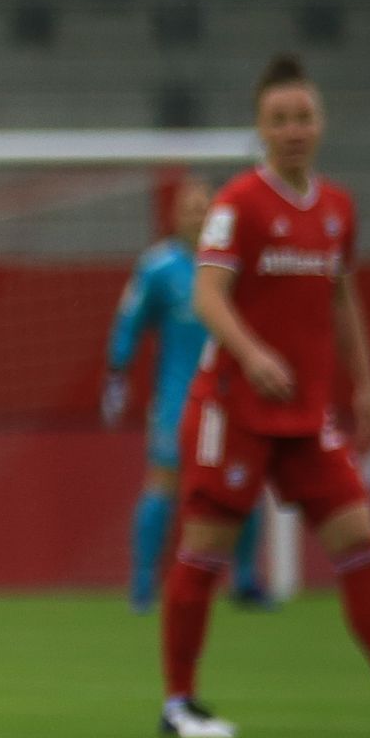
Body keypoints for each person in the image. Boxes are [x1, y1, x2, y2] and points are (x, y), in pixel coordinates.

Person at [156, 54, 370, 738]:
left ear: (322, 124)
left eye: (303, 116)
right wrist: (253, 352)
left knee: (357, 534)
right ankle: (179, 703)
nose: (294, 129)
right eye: (280, 119)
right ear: (260, 128)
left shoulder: (336, 209)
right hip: (233, 407)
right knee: (205, 549)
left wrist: (367, 382)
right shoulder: (235, 205)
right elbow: (208, 296)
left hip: (305, 416)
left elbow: (342, 295)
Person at [101, 175, 267, 614]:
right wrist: (117, 372)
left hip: (235, 392)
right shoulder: (158, 266)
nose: (196, 215)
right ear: (174, 216)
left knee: (245, 483)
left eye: (203, 207)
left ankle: (245, 580)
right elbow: (129, 321)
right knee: (164, 482)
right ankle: (142, 585)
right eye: (188, 208)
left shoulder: (238, 262)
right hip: (178, 396)